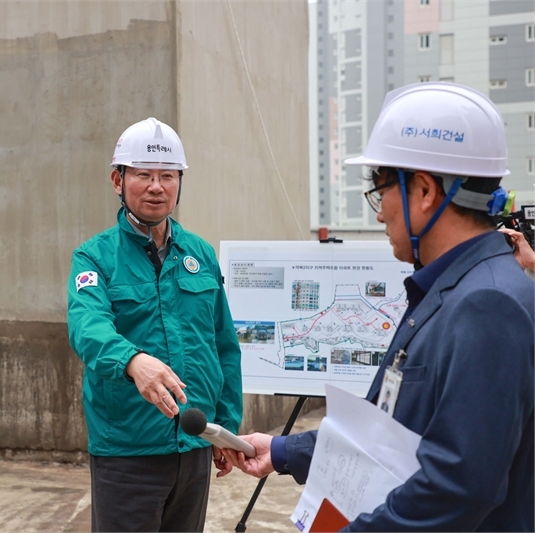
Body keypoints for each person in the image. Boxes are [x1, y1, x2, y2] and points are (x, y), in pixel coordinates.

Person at [222, 83, 534, 531]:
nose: (379, 213)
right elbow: (388, 431)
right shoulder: (449, 289)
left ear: (424, 191)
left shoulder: (487, 304)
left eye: (381, 191)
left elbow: (458, 485)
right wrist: (282, 451)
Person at [67, 117, 243, 532]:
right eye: (143, 175)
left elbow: (223, 344)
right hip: (128, 450)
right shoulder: (94, 257)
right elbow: (87, 327)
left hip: (196, 439)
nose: (156, 187)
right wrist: (133, 361)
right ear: (118, 180)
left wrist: (226, 428)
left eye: (167, 176)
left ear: (179, 182)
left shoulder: (200, 253)